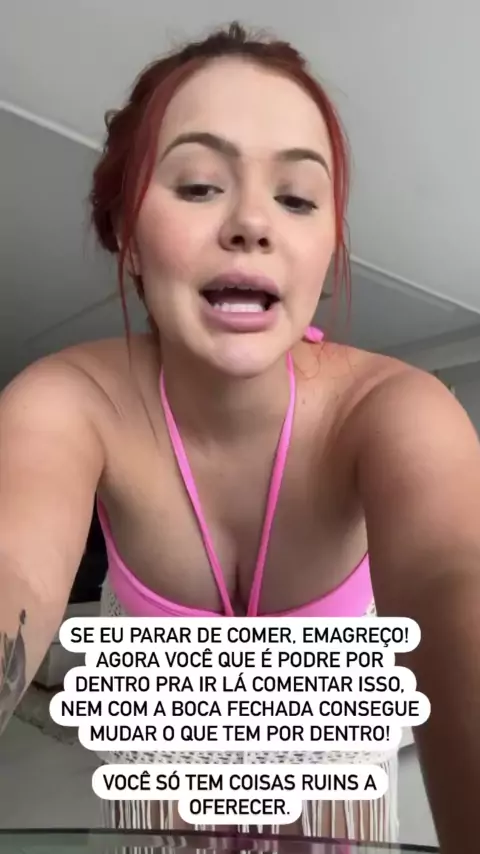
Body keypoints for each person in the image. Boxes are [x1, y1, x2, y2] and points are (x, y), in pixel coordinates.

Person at [0, 20, 479, 852]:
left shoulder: (396, 409)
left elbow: (455, 579)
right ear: (125, 234)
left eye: (297, 199)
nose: (253, 222)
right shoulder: (68, 402)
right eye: (198, 186)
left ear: (327, 251)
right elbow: (12, 559)